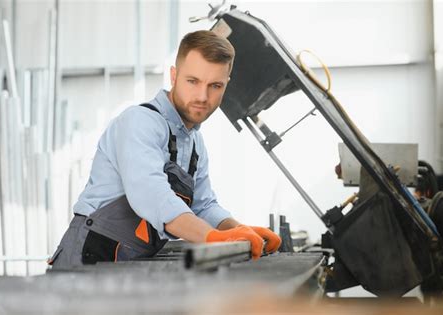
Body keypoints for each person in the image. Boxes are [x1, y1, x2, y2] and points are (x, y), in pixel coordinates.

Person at [49, 30, 281, 269]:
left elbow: (203, 205)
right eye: (193, 81)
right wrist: (212, 238)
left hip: (130, 263)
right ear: (174, 75)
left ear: (226, 86)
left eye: (215, 85)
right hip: (90, 256)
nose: (202, 96)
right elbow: (152, 196)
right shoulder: (139, 122)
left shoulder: (194, 143)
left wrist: (237, 230)